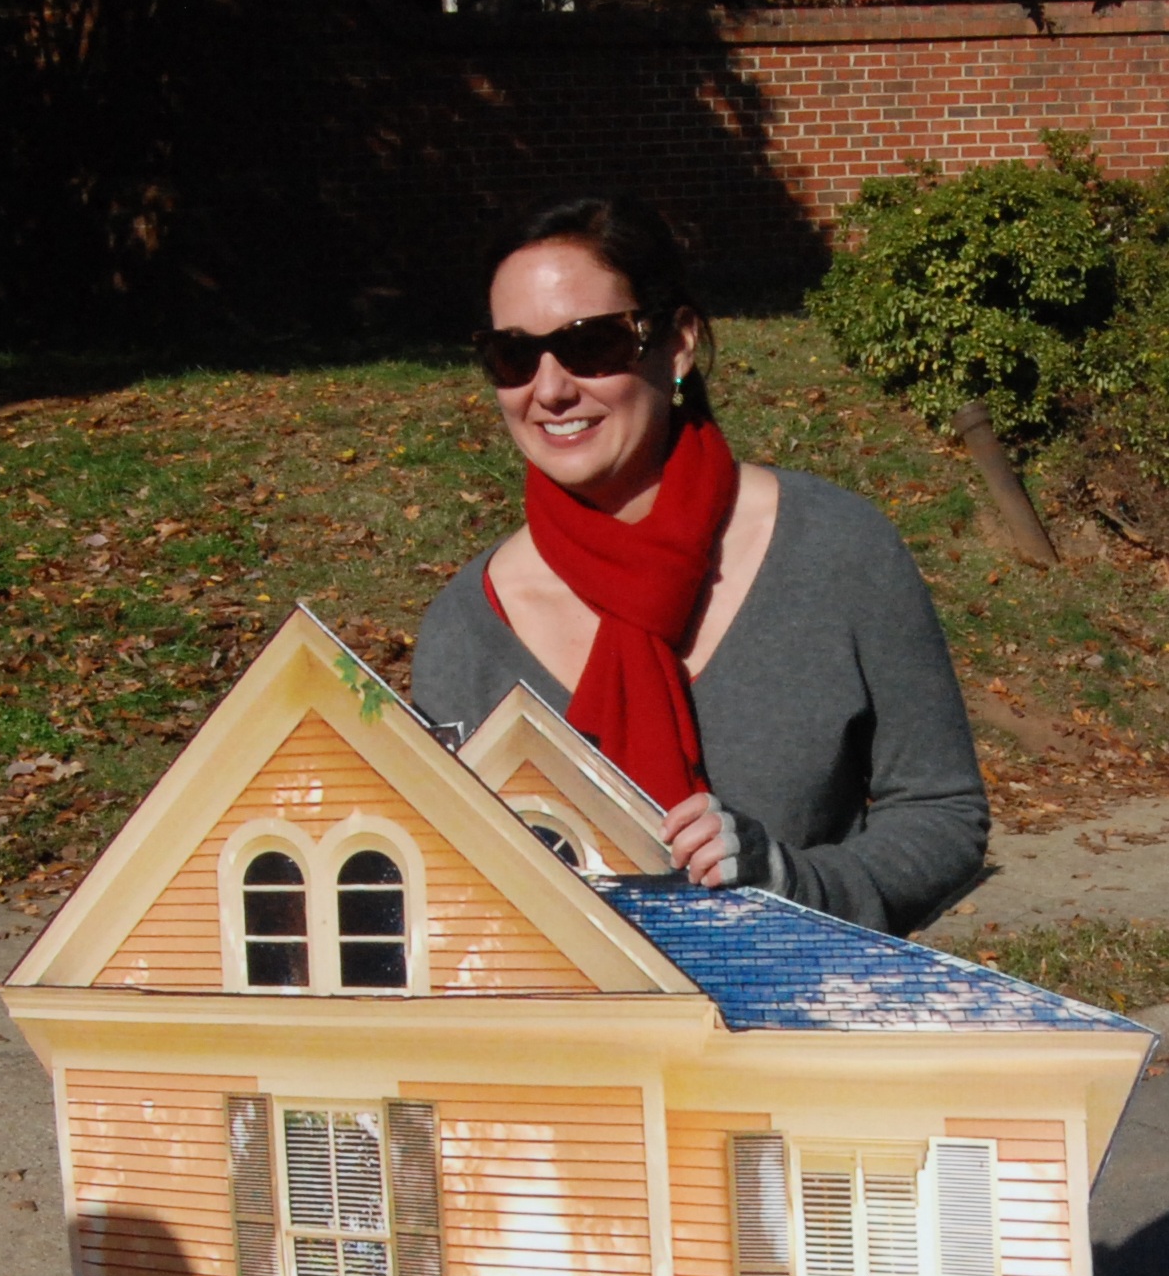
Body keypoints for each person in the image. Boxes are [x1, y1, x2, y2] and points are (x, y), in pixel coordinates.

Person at [412, 195, 986, 935]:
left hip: (800, 1027)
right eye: (513, 355)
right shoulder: (467, 625)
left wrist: (792, 882)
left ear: (676, 342)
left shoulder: (835, 551)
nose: (549, 389)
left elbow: (942, 814)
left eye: (591, 344)